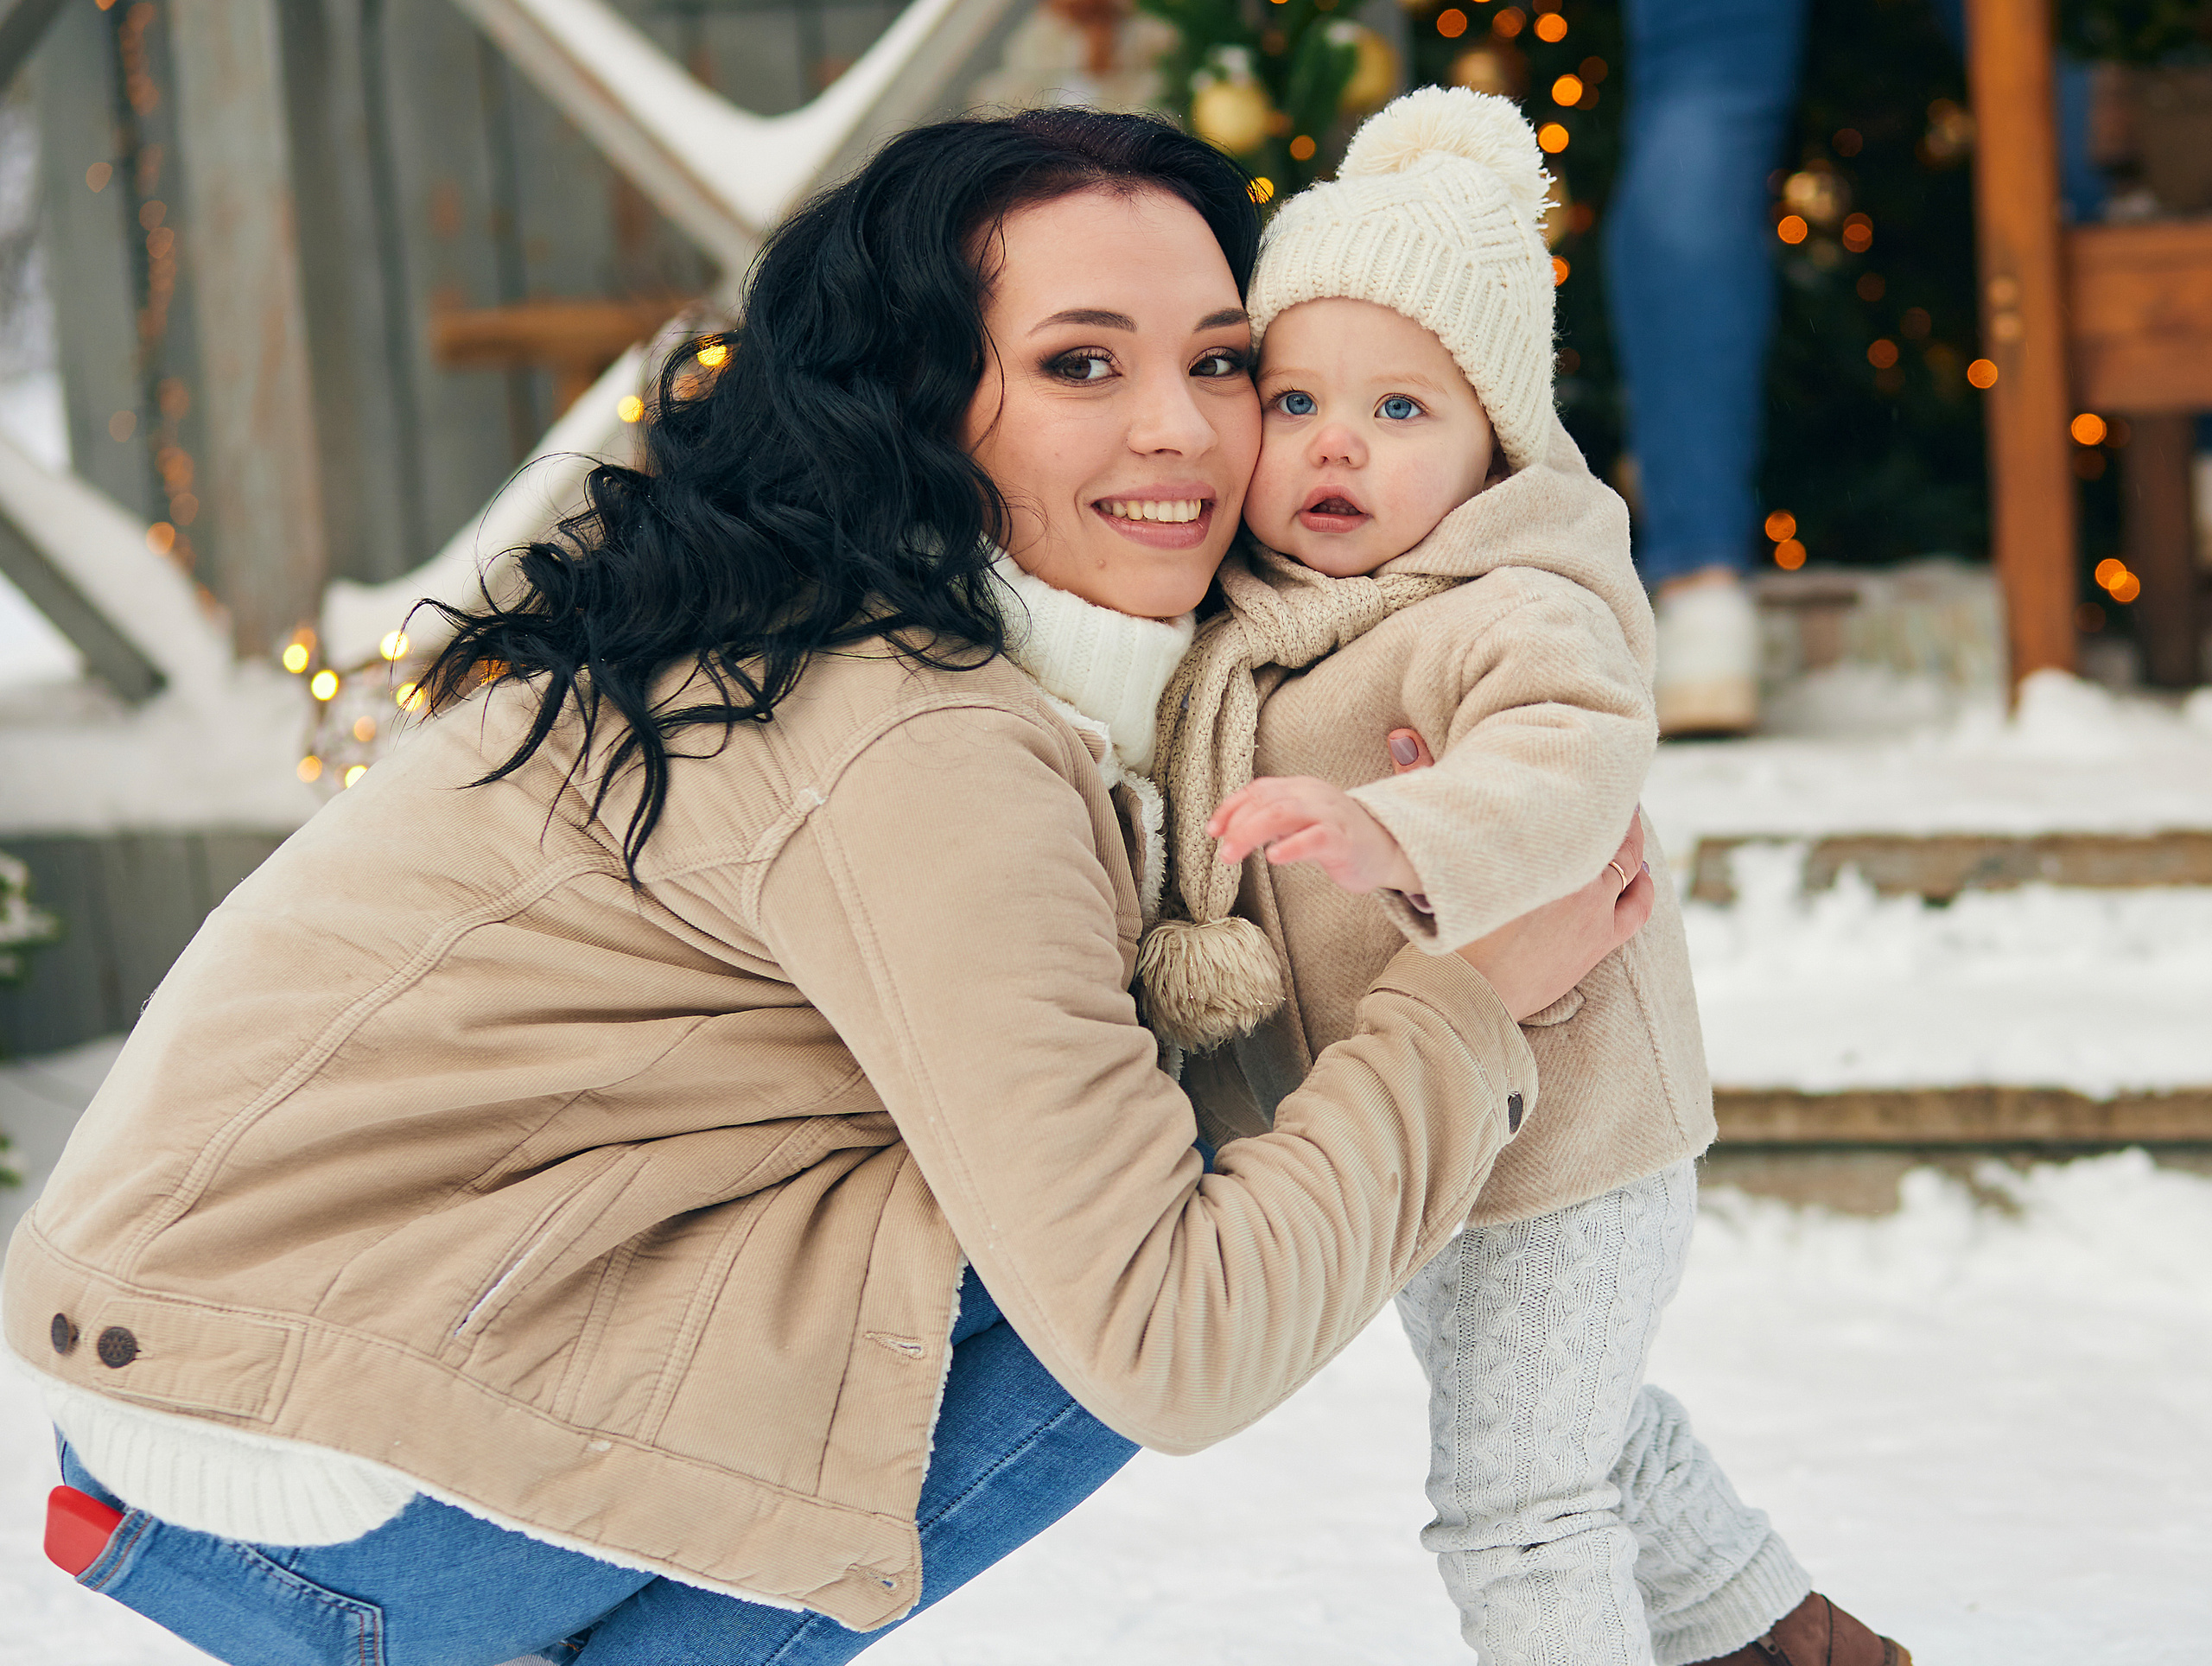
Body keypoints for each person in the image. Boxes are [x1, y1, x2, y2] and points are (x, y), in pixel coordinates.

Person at [2, 109, 1651, 1666]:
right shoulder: (919, 736)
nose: (1184, 429)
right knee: (1133, 1249)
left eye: (1225, 365)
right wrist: (1470, 1004)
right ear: (919, 401)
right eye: (1083, 363)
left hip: (219, 1360)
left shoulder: (835, 618)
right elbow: (1172, 1347)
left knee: (1089, 1157)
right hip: (306, 1456)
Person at [1144, 89, 1909, 1666]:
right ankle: (1798, 1648)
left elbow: (1569, 761)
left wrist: (1402, 836)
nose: (1338, 443)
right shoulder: (1251, 624)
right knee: (1594, 1434)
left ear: (1498, 438)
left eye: (1402, 411)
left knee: (1516, 1501)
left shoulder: (1512, 601)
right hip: (1425, 1150)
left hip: (1570, 1144)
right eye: (1294, 403)